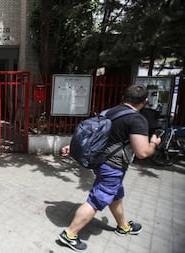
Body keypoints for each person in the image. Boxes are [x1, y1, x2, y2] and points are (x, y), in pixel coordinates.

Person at [58, 84, 162, 251]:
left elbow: (95, 134)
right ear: (145, 101)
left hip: (102, 161)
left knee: (115, 194)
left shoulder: (111, 112)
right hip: (112, 166)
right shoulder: (137, 119)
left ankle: (123, 226)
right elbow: (142, 152)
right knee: (97, 200)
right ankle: (69, 234)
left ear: (124, 97)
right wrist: (153, 143)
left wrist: (74, 147)